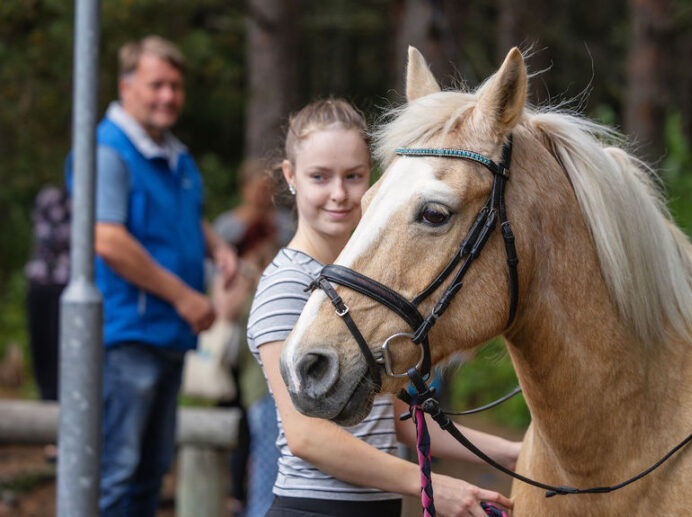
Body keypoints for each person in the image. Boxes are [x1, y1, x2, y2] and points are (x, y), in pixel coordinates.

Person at [246, 99, 520, 517]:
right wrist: (431, 485)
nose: (338, 193)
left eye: (353, 176)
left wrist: (508, 452)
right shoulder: (288, 283)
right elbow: (307, 436)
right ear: (291, 176)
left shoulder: (352, 283)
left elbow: (389, 418)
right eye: (320, 177)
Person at [65, 35, 237, 517]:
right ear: (126, 85)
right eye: (156, 84)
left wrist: (217, 245)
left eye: (176, 86)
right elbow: (107, 239)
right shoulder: (107, 151)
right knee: (115, 475)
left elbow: (182, 215)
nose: (168, 96)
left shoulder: (173, 154)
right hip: (125, 338)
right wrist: (185, 297)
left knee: (149, 474)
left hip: (167, 337)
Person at [211, 160, 294, 517]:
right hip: (237, 337)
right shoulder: (227, 227)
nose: (262, 195)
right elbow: (214, 275)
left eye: (267, 188)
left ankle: (259, 500)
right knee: (238, 419)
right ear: (244, 188)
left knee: (264, 427)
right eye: (256, 187)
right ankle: (238, 495)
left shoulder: (286, 227)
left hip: (272, 334)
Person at [24, 185, 70, 403]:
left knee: (60, 350)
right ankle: (47, 401)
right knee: (42, 350)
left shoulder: (92, 200)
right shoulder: (49, 196)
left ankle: (60, 402)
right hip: (40, 285)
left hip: (65, 287)